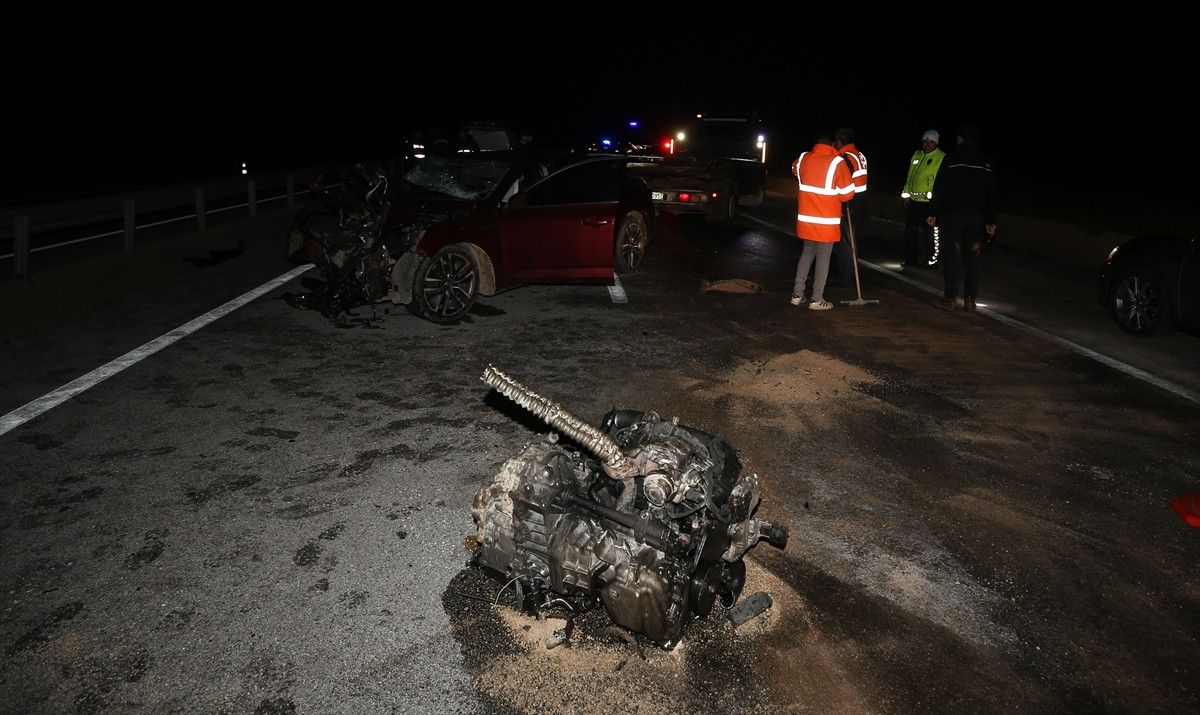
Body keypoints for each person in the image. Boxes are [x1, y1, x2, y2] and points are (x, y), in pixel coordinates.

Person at [926, 124, 998, 313]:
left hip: (952, 216)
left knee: (951, 256)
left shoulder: (951, 159)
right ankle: (970, 300)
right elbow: (991, 193)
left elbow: (939, 187)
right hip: (976, 218)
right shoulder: (985, 162)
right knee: (973, 258)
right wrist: (991, 221)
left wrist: (933, 212)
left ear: (960, 139)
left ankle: (950, 298)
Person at [790, 131, 856, 310]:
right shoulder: (837, 162)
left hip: (806, 220)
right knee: (823, 258)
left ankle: (797, 294)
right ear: (832, 145)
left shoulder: (803, 158)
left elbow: (794, 169)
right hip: (826, 223)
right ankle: (816, 299)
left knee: (806, 254)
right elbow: (847, 194)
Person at [901, 129, 945, 268]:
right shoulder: (917, 155)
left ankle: (932, 261)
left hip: (929, 202)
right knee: (910, 231)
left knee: (931, 233)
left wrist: (937, 202)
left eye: (931, 141)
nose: (927, 144)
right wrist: (906, 195)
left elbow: (941, 182)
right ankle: (910, 259)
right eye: (925, 141)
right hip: (913, 202)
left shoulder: (941, 157)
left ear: (936, 143)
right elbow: (910, 176)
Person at [830, 127, 868, 288]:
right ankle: (847, 274)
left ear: (839, 141)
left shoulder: (844, 157)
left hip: (849, 204)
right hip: (859, 202)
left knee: (845, 243)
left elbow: (843, 182)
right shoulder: (859, 155)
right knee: (849, 241)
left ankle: (846, 278)